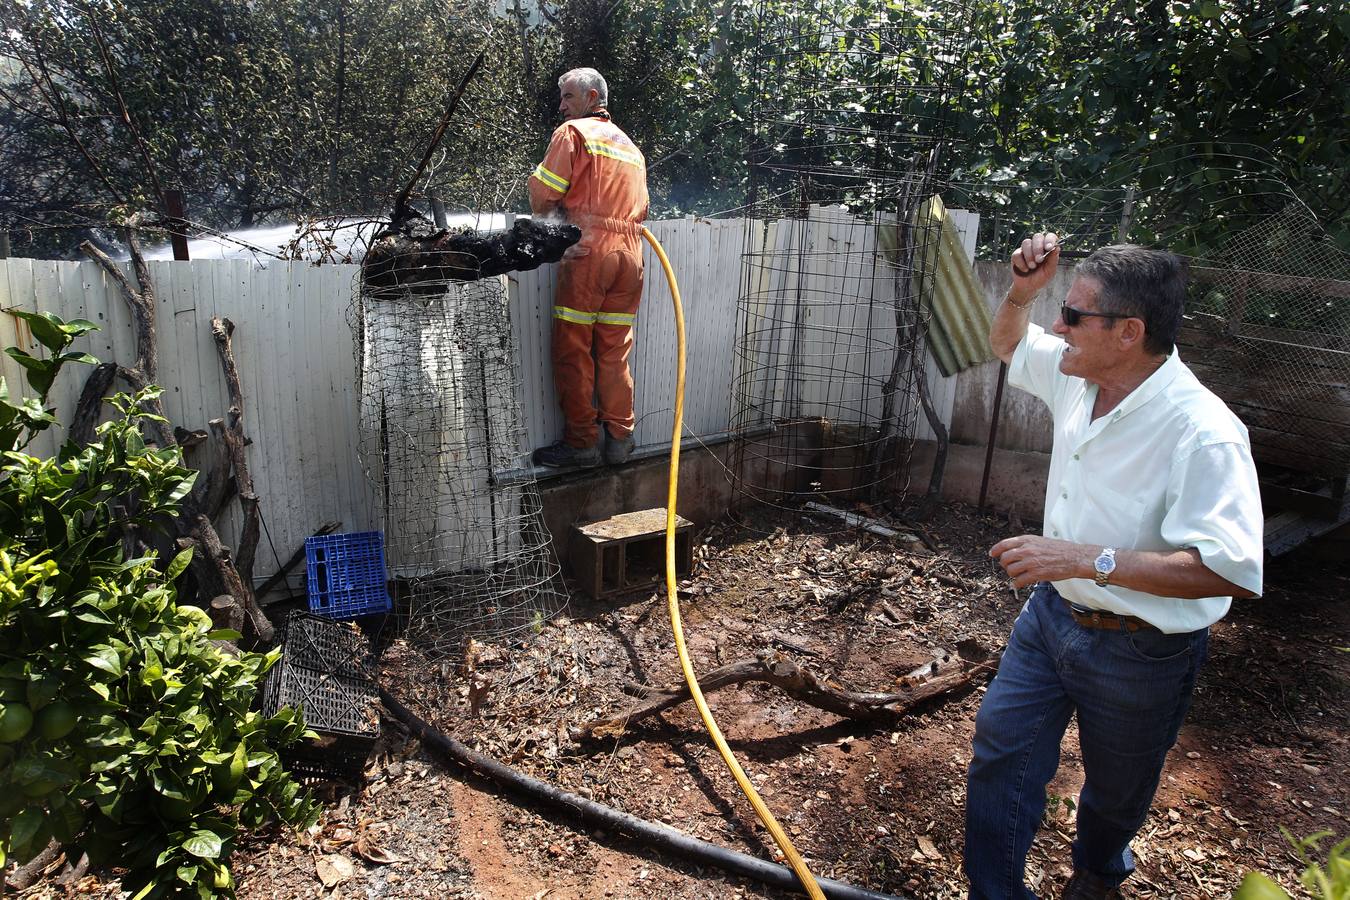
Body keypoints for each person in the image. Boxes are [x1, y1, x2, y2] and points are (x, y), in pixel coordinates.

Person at [964, 234, 1264, 899]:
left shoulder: (1202, 431)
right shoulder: (1081, 374)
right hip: (1049, 619)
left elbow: (1229, 568)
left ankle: (1098, 874)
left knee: (1116, 791)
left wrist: (1084, 558)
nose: (1058, 327)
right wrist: (1021, 292)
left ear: (1129, 332)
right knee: (1001, 749)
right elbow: (1010, 342)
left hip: (1142, 648)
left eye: (1074, 316)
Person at [528, 67, 649, 469]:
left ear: (592, 98)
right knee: (614, 352)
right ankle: (619, 442)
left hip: (588, 251)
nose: (561, 106)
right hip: (631, 256)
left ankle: (582, 444)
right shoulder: (631, 147)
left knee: (573, 348)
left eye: (567, 97)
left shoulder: (573, 133)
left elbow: (545, 195)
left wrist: (556, 233)